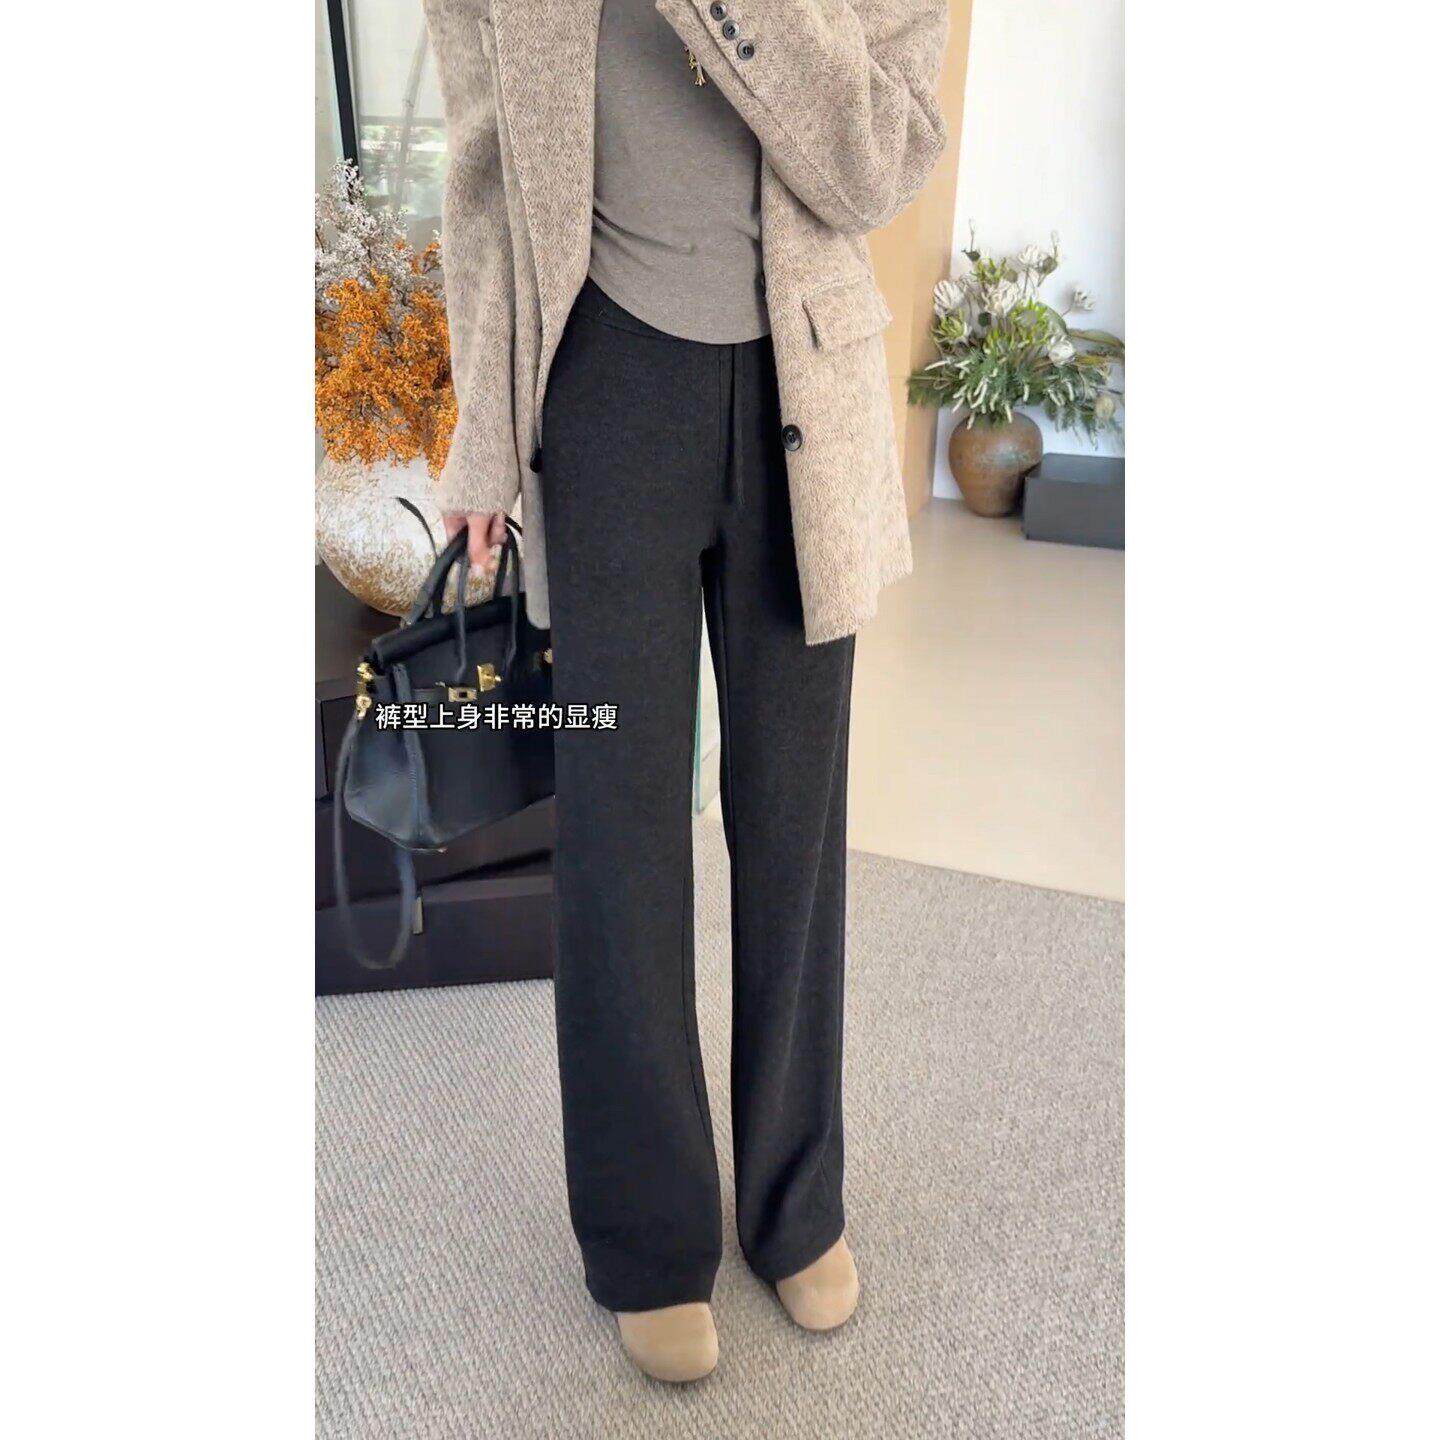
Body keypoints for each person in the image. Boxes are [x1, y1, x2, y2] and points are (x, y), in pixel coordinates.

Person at [422, 0, 949, 1383]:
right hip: (602, 396)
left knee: (791, 827)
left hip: (805, 394)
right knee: (619, 836)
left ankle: (796, 1204)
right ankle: (647, 1239)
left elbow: (885, 157)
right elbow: (482, 178)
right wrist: (485, 435)